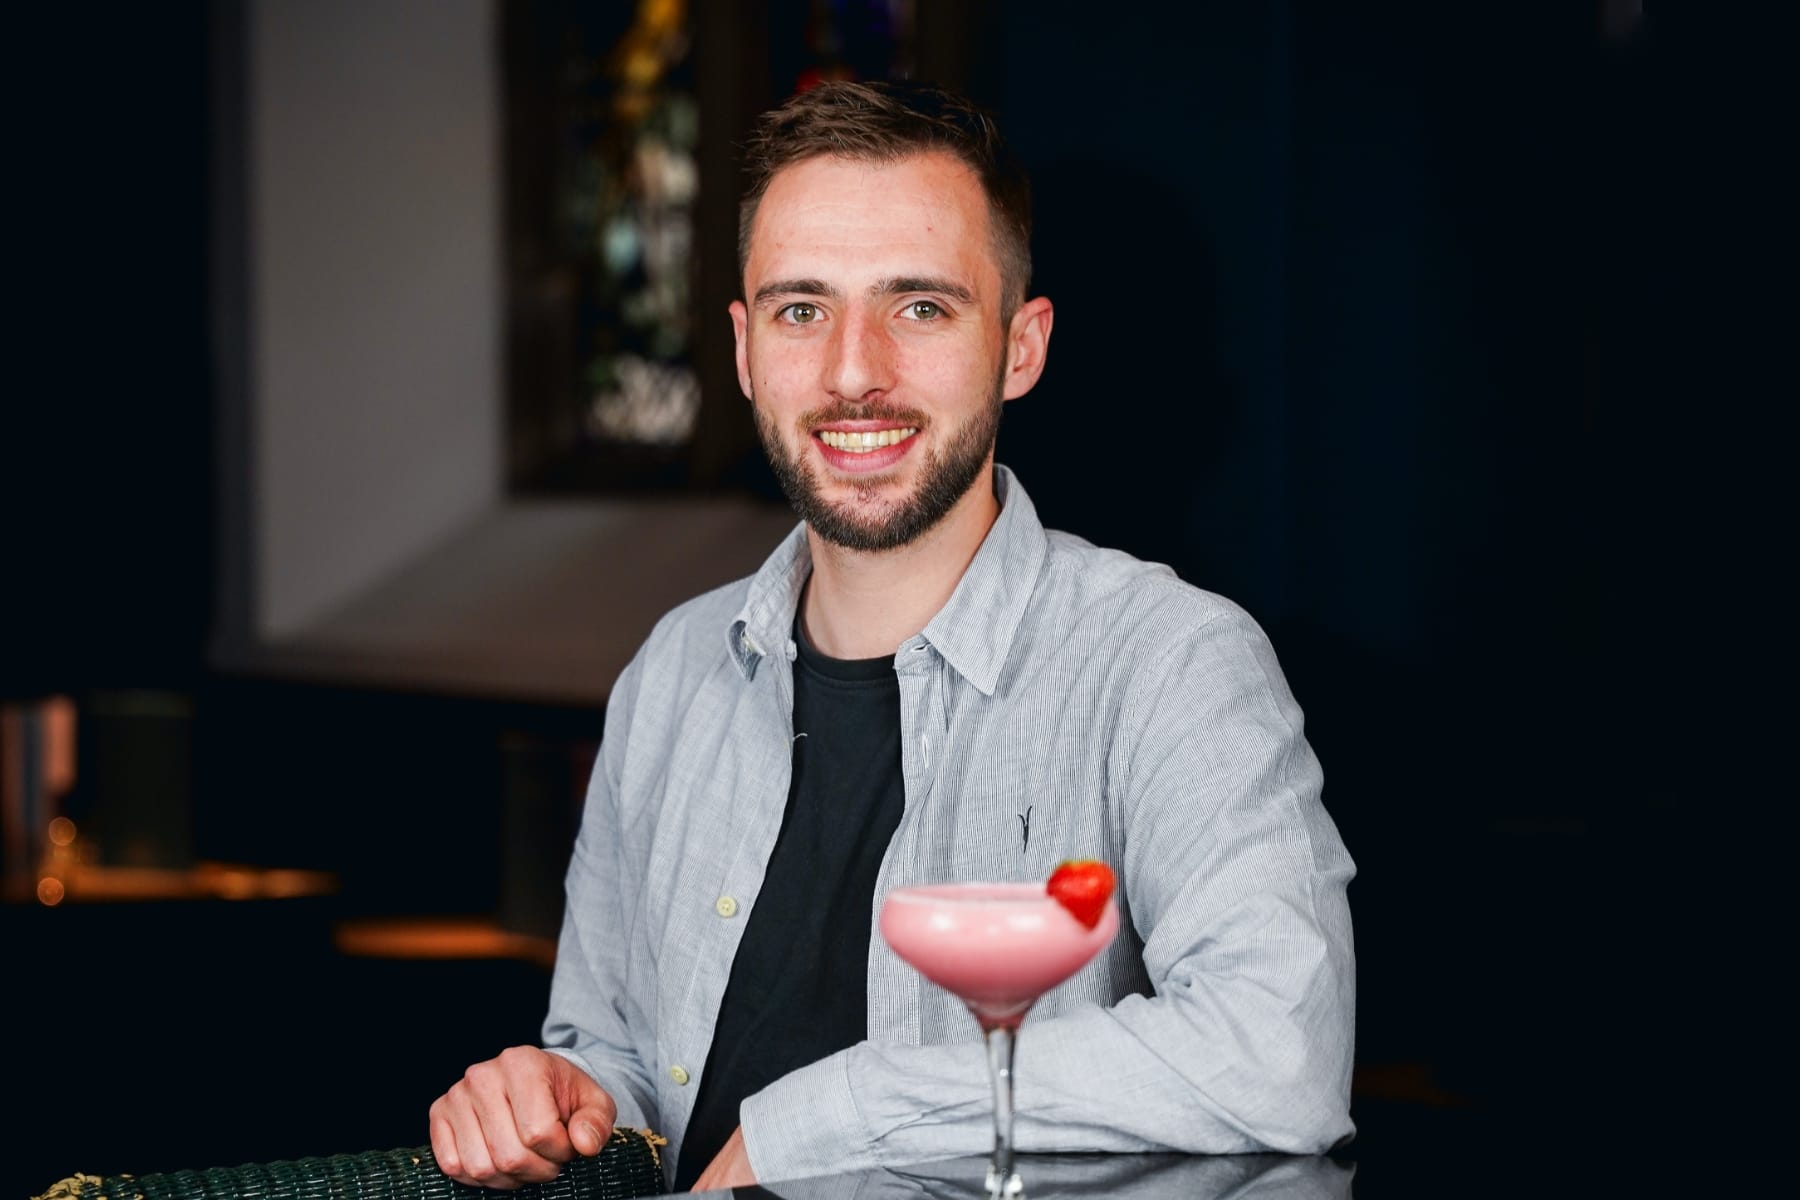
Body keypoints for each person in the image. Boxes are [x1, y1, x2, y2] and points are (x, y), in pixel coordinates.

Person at [428, 79, 1355, 1193]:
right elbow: (621, 1067)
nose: (853, 370)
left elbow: (1278, 1054)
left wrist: (834, 1110)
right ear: (742, 348)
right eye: (801, 308)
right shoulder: (672, 672)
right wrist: (559, 1099)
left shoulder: (1172, 663)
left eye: (919, 306)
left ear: (1021, 346)